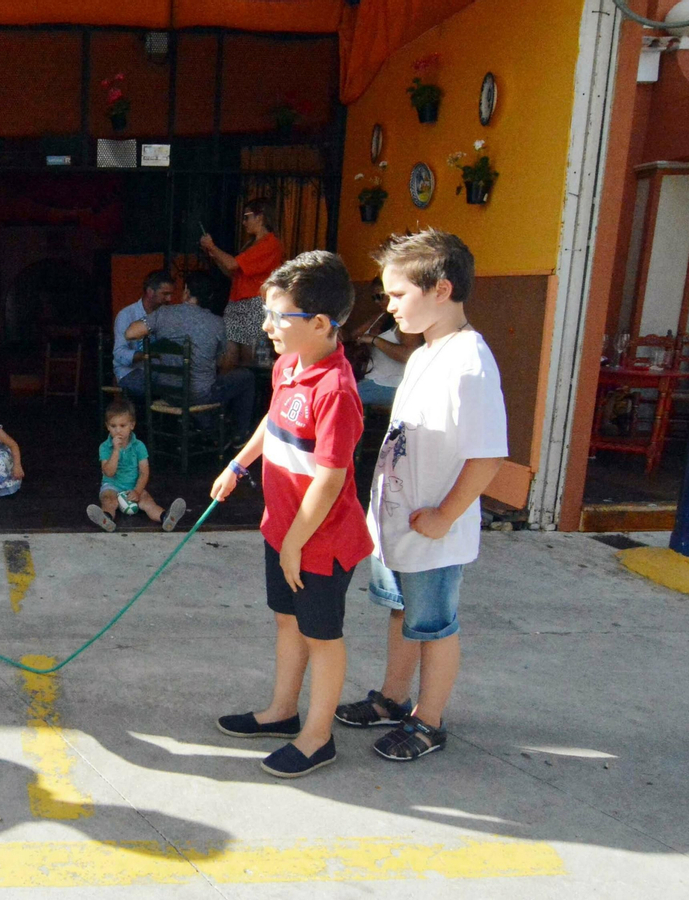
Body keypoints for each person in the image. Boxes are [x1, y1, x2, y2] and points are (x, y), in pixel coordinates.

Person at [335, 229, 507, 763]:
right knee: (400, 613)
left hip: (433, 532)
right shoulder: (428, 353)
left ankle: (428, 721)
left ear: (442, 290)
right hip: (398, 525)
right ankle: (391, 698)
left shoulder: (469, 365)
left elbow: (487, 456)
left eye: (397, 295)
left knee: (434, 626)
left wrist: (445, 515)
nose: (388, 307)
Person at [208, 251, 374, 778]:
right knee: (287, 621)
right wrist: (239, 462)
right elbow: (272, 423)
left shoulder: (338, 392)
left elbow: (331, 479)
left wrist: (298, 543)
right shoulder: (288, 365)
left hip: (319, 542)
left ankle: (317, 736)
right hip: (283, 530)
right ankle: (282, 712)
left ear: (321, 324)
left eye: (279, 316)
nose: (266, 326)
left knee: (321, 636)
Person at [124, 270, 256, 434]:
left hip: (166, 392)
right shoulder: (218, 323)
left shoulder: (164, 313)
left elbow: (130, 333)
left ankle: (205, 424)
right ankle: (239, 434)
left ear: (186, 291)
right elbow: (226, 362)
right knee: (246, 377)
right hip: (199, 396)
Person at [200, 198, 286, 366]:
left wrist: (212, 247)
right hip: (237, 302)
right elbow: (232, 272)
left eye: (247, 217)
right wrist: (215, 254)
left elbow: (232, 264)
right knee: (228, 355)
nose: (244, 222)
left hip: (254, 303)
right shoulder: (251, 244)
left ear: (260, 217)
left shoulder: (270, 244)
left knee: (250, 359)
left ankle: (250, 390)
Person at [86, 397, 187, 533]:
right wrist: (116, 450)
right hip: (112, 485)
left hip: (133, 485)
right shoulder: (105, 447)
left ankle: (166, 517)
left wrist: (137, 491)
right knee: (108, 499)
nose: (118, 431)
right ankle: (106, 518)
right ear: (107, 426)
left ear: (132, 425)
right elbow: (108, 472)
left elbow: (144, 472)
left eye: (123, 426)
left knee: (147, 501)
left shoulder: (139, 446)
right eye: (113, 426)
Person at [350, 277, 422, 409]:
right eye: (374, 298)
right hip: (372, 380)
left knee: (345, 398)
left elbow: (409, 355)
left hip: (392, 384)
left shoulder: (406, 319)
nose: (377, 302)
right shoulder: (382, 316)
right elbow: (354, 336)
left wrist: (375, 340)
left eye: (380, 296)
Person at [112, 270, 175, 403]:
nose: (169, 299)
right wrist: (147, 355)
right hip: (130, 372)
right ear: (150, 291)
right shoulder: (126, 315)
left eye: (170, 294)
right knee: (158, 387)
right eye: (165, 294)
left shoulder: (168, 315)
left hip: (158, 371)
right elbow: (119, 353)